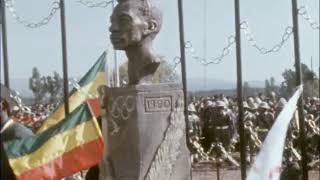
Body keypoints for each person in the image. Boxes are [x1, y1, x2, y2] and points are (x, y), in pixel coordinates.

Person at [109, 0, 163, 85]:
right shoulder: (131, 66)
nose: (112, 28)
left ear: (150, 27)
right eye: (112, 22)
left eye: (123, 21)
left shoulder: (150, 63)